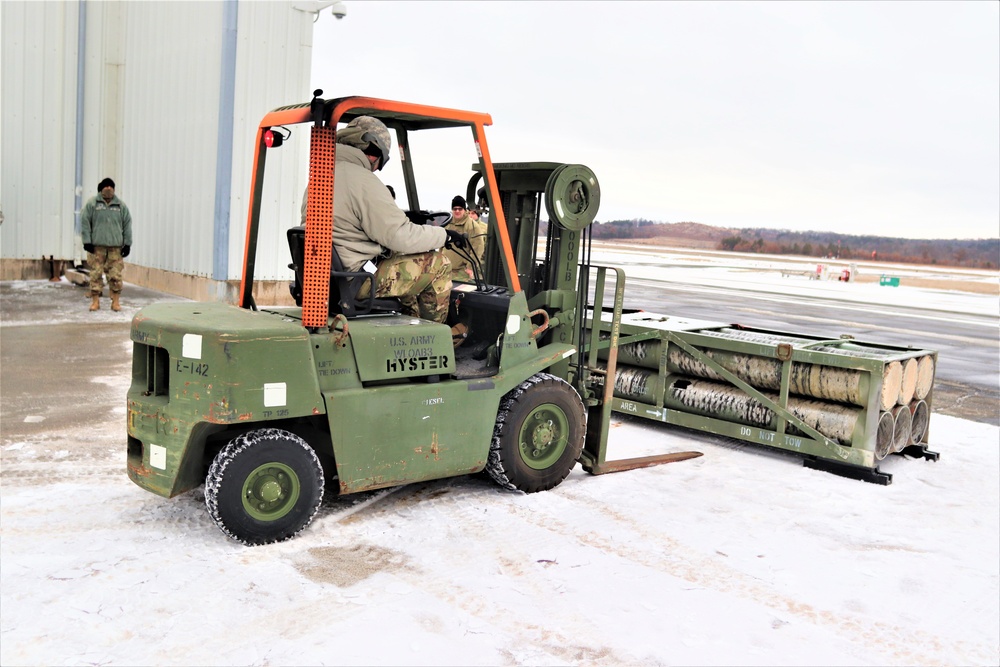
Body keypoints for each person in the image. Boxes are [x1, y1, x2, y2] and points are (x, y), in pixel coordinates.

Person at [301, 116, 466, 323]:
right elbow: (400, 236)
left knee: (401, 265)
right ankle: (435, 338)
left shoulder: (322, 175)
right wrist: (444, 235)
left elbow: (352, 223)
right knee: (438, 264)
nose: (377, 169)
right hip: (354, 281)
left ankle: (409, 326)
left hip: (327, 278)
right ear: (374, 152)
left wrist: (405, 217)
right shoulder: (363, 180)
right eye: (380, 162)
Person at [81, 177, 132, 312]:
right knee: (95, 274)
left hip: (115, 249)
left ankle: (115, 302)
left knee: (115, 275)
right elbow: (85, 222)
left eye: (111, 186)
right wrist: (87, 241)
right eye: (106, 186)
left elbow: (127, 225)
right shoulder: (92, 204)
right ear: (100, 189)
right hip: (97, 248)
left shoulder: (121, 206)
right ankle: (95, 301)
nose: (108, 188)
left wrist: (127, 244)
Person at [442, 195, 487, 283]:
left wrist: (470, 267)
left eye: (460, 209)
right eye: (455, 209)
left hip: (462, 272)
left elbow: (477, 248)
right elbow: (441, 244)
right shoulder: (448, 224)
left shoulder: (472, 226)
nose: (457, 211)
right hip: (445, 270)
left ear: (464, 210)